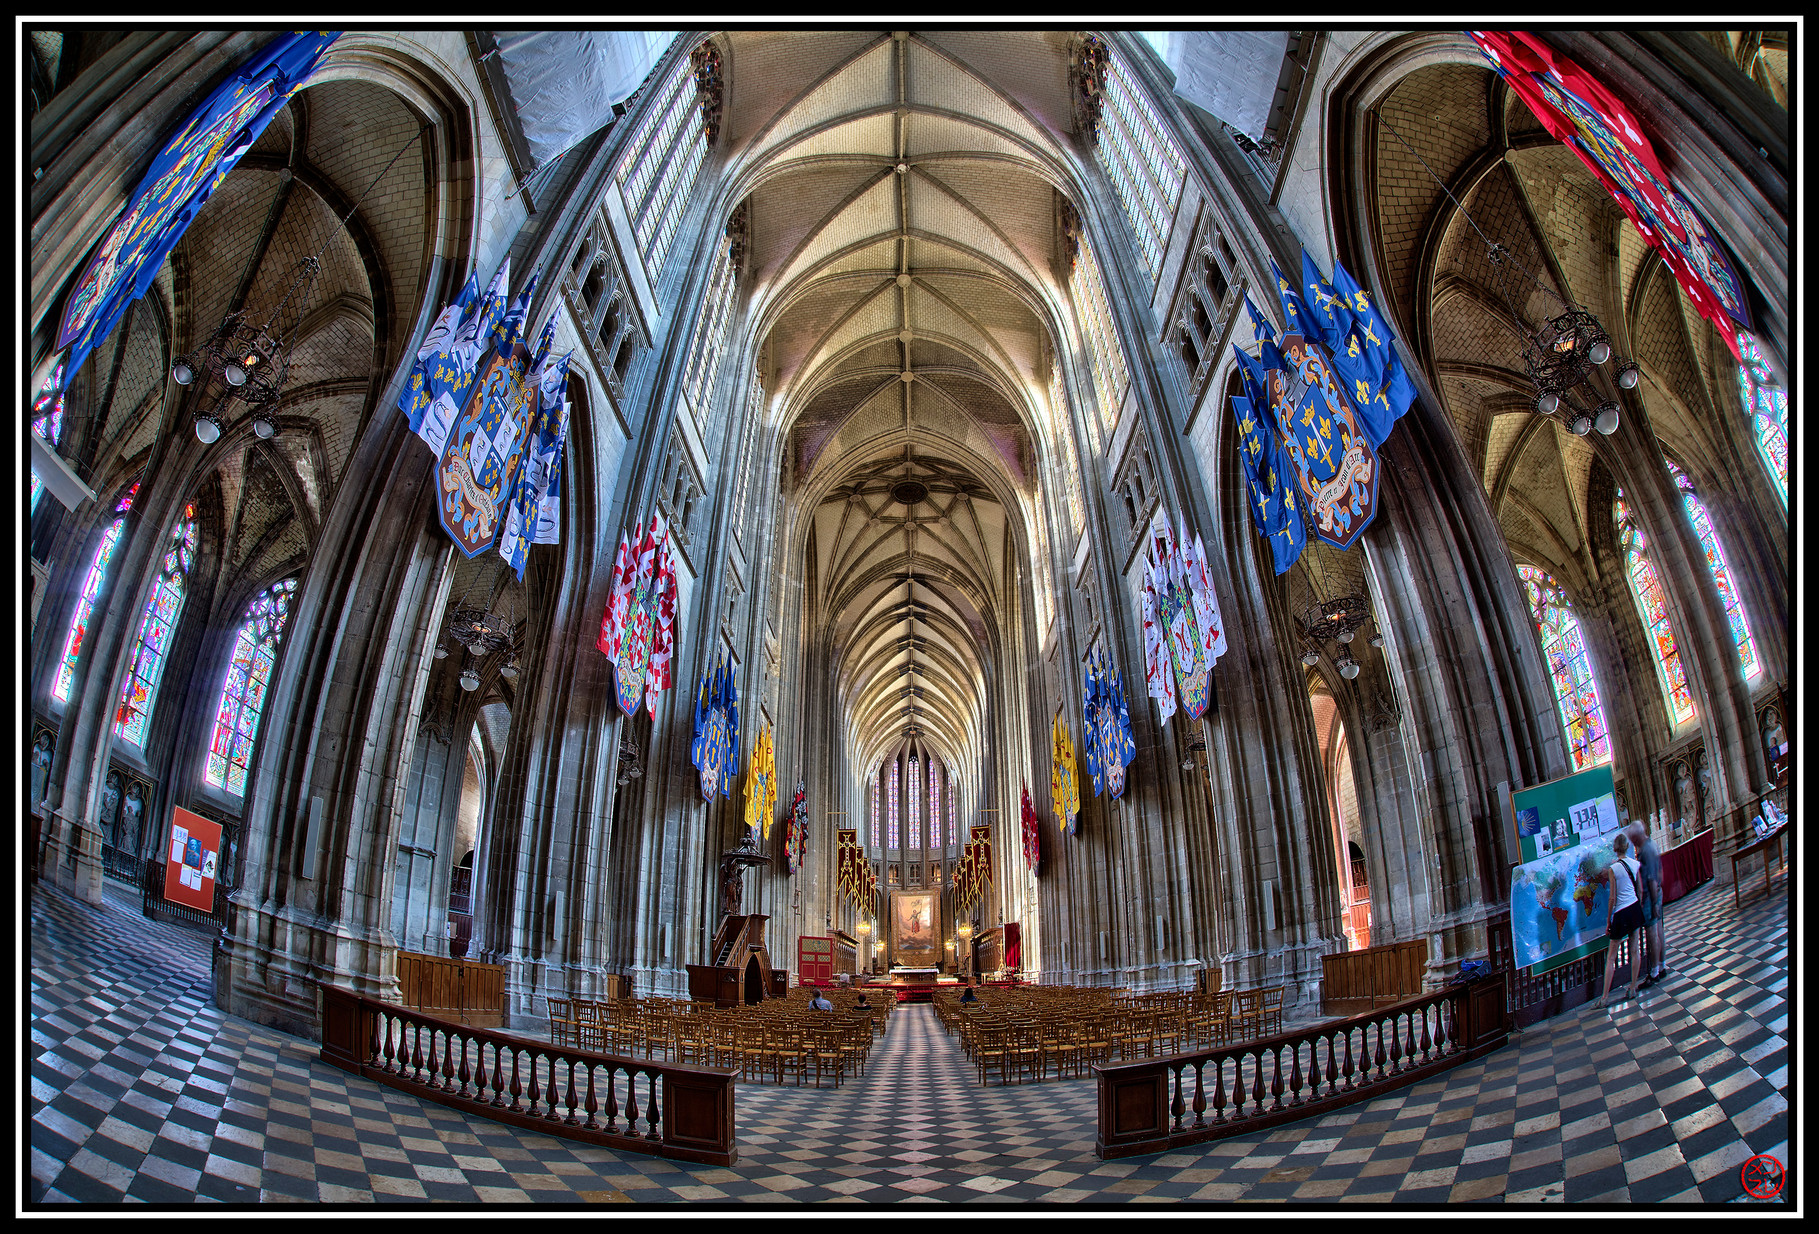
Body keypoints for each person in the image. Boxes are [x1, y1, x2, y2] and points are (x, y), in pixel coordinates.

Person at [1597, 833, 1646, 1008]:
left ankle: (1604, 998)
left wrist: (1609, 921)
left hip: (1621, 911)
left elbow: (1612, 898)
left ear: (1615, 849)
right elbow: (1640, 890)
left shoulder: (1613, 869)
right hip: (1634, 907)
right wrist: (1637, 907)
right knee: (1635, 950)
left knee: (1611, 957)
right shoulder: (1635, 864)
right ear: (1627, 847)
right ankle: (1633, 987)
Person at [1627, 822, 1667, 989]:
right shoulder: (1651, 844)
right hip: (1657, 893)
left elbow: (1650, 878)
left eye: (1633, 840)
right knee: (1659, 931)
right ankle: (1662, 965)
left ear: (1636, 837)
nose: (1633, 844)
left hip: (1651, 897)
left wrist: (1652, 901)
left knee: (1652, 934)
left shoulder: (1645, 852)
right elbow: (1659, 873)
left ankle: (1654, 972)